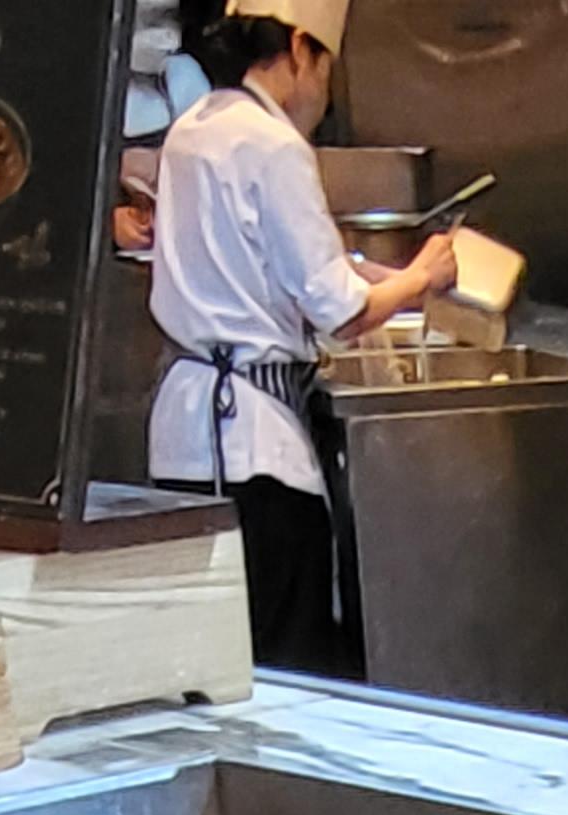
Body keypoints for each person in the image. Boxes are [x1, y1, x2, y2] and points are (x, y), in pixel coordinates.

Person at [148, 0, 455, 676]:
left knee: (213, 666)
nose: (323, 91)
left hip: (183, 442)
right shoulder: (275, 144)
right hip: (254, 454)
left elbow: (264, 264)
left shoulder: (192, 130)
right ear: (297, 51)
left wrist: (375, 274)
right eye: (324, 68)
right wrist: (423, 276)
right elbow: (343, 313)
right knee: (285, 664)